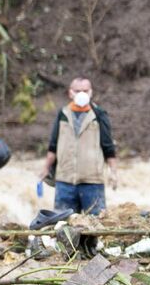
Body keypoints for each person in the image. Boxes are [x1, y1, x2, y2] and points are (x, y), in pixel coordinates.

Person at [44, 77, 115, 216]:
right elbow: (53, 145)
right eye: (77, 91)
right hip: (65, 181)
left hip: (92, 181)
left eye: (85, 90)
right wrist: (46, 168)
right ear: (70, 93)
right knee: (63, 226)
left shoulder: (99, 114)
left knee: (95, 225)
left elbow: (108, 146)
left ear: (91, 92)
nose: (81, 94)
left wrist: (113, 172)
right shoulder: (63, 114)